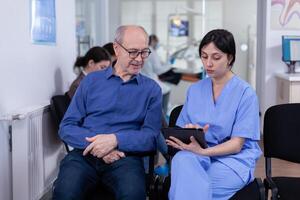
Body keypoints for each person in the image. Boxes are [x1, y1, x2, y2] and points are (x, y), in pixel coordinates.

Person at [53, 25, 162, 200]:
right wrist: (99, 146)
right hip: (84, 154)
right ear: (116, 49)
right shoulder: (90, 82)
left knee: (133, 194)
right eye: (133, 52)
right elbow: (66, 127)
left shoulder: (152, 90)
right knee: (65, 193)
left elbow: (150, 137)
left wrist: (115, 140)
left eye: (144, 52)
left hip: (124, 158)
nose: (139, 59)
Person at [166, 29, 262, 200]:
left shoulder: (245, 93)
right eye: (204, 56)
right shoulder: (195, 90)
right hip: (196, 153)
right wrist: (191, 131)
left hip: (232, 160)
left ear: (230, 58)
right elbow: (181, 130)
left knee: (186, 185)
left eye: (216, 57)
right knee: (182, 161)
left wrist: (204, 153)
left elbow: (237, 145)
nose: (208, 63)